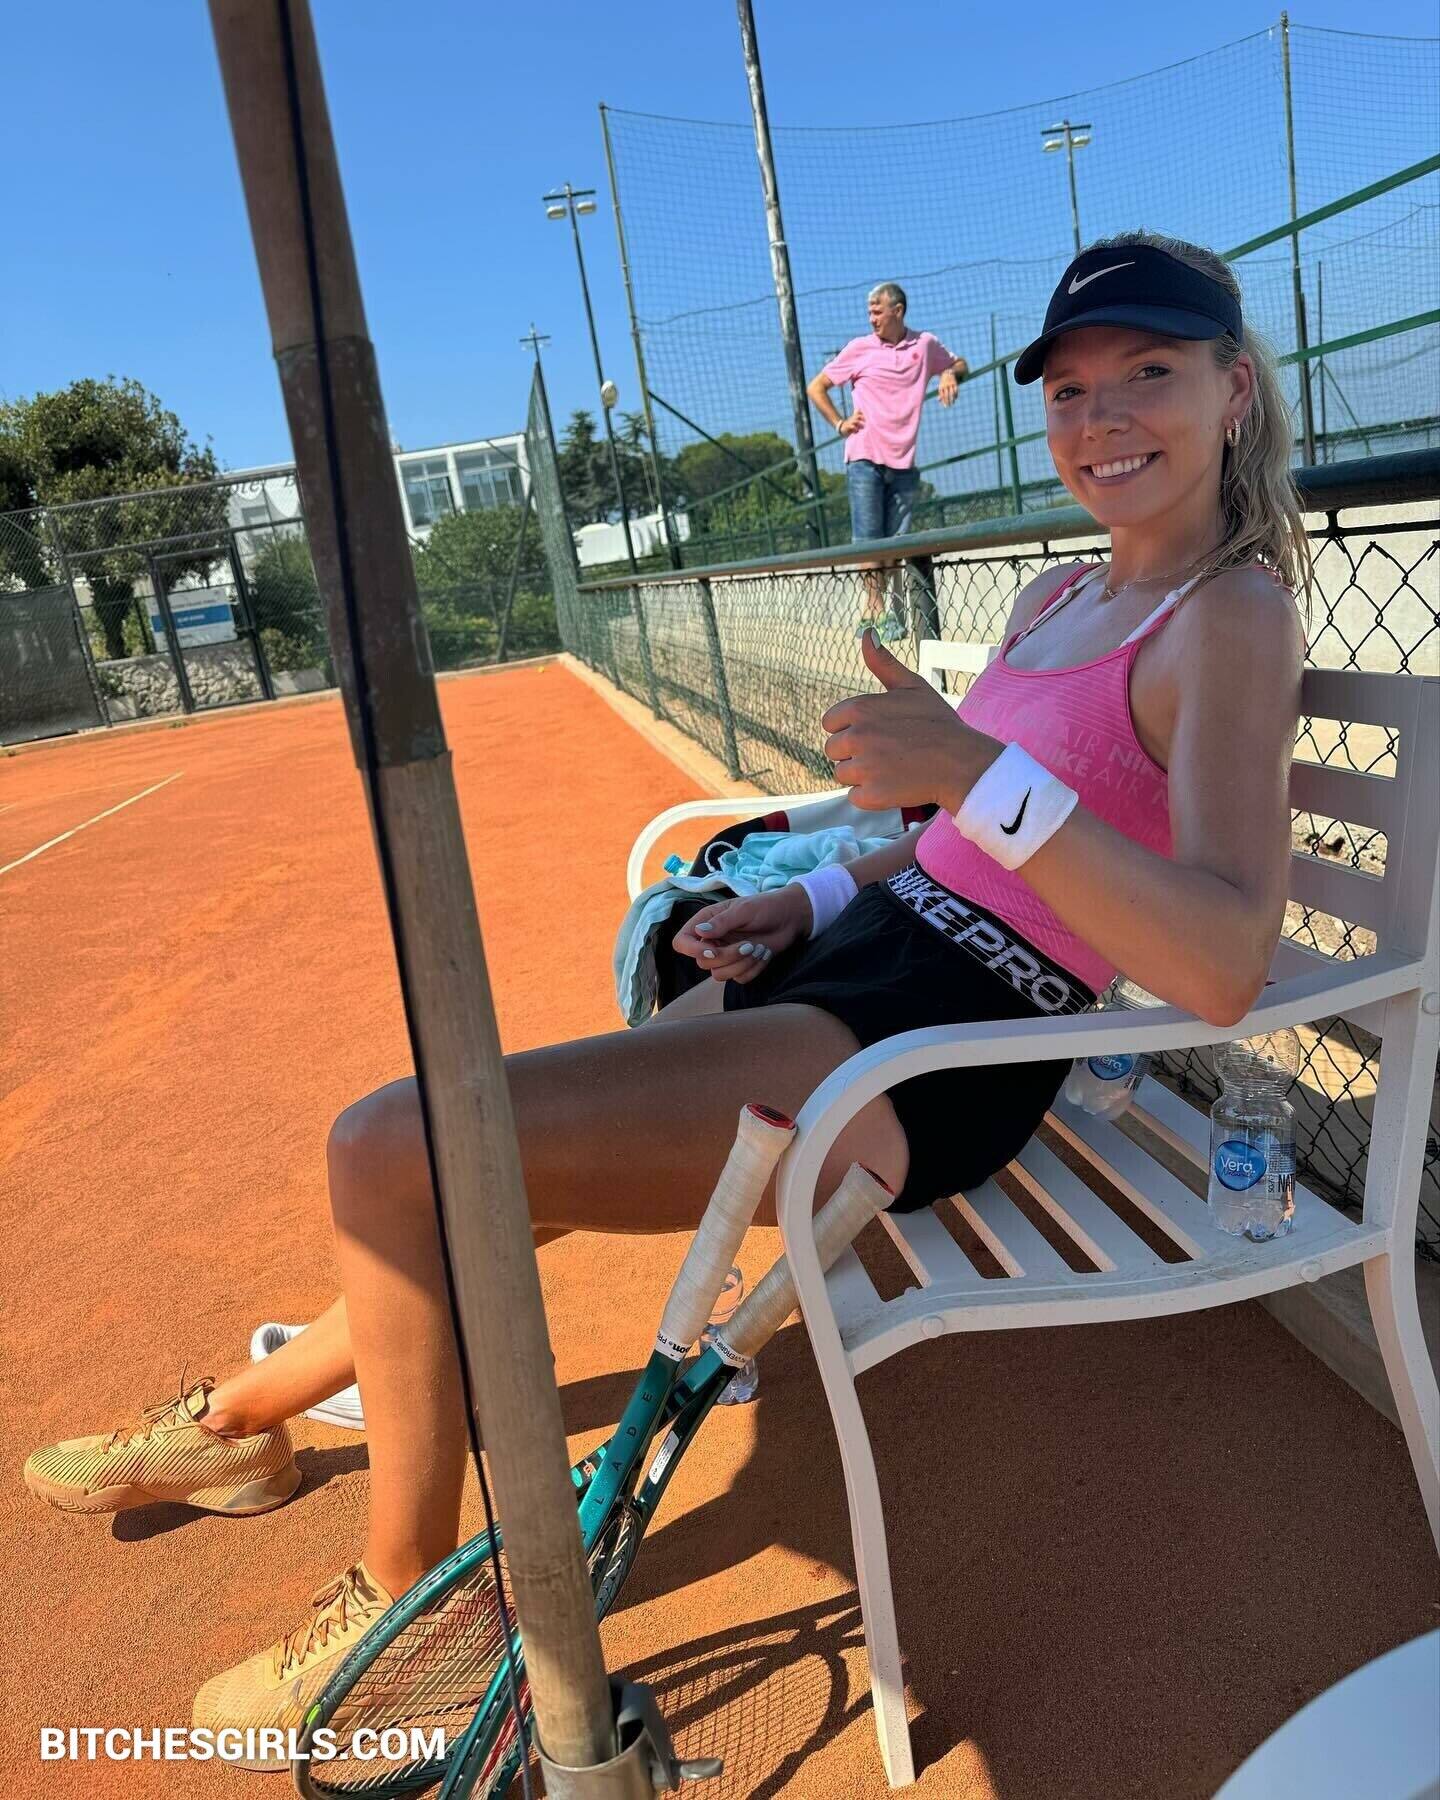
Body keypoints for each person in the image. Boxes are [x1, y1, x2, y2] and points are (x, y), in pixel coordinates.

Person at [25, 230, 1309, 1758]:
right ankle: (240, 1430)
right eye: (1073, 389)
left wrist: (976, 770)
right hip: (866, 962)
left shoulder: (1231, 617)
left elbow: (1223, 960)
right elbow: (959, 847)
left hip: (950, 1045)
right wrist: (810, 896)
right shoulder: (1049, 598)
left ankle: (403, 1623)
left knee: (399, 1147)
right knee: (480, 1177)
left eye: (1149, 374)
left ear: (1234, 390)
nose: (1103, 419)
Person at [807, 282, 969, 639]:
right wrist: (840, 424)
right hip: (863, 457)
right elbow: (816, 387)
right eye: (869, 312)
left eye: (877, 311)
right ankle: (876, 609)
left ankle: (884, 610)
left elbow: (960, 364)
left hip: (904, 461)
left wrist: (947, 373)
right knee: (868, 539)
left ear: (898, 310)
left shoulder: (924, 344)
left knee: (895, 541)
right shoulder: (859, 348)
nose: (872, 318)